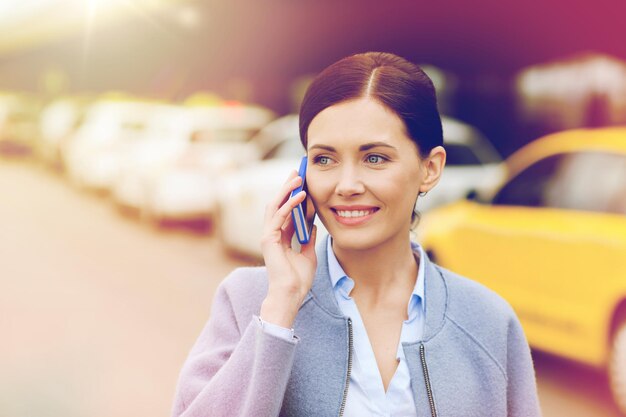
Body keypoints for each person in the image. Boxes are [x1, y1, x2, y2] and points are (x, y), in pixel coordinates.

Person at [171, 52, 541, 417]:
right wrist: (280, 311)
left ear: (429, 168)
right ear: (302, 172)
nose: (346, 185)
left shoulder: (488, 320)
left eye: (375, 158)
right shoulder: (248, 301)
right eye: (324, 159)